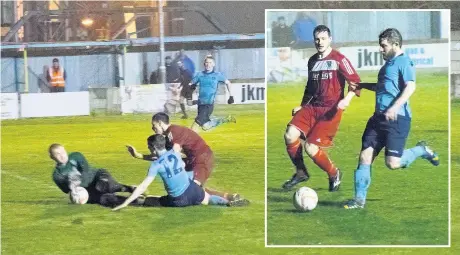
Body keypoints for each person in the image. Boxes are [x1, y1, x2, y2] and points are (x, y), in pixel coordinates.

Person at [344, 28, 439, 209]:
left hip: (397, 118)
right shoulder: (388, 65)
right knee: (365, 156)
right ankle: (358, 201)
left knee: (393, 163)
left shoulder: (404, 62)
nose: (380, 49)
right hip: (378, 118)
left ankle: (421, 150)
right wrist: (362, 85)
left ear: (395, 44)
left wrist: (394, 108)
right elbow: (383, 87)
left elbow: (410, 87)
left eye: (383, 46)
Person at [282, 25, 361, 192]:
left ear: (330, 39)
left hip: (331, 110)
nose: (320, 42)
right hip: (312, 107)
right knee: (290, 135)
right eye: (317, 39)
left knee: (310, 147)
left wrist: (347, 99)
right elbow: (310, 87)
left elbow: (355, 81)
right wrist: (302, 106)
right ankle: (301, 172)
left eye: (323, 39)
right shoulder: (312, 61)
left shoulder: (339, 59)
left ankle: (334, 173)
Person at [126, 112, 244, 203]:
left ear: (160, 123)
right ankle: (229, 197)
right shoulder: (168, 136)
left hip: (201, 159)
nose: (153, 129)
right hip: (193, 160)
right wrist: (138, 156)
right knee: (193, 190)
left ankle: (227, 199)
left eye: (154, 126)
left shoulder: (174, 132)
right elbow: (164, 158)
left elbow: (172, 154)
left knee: (192, 190)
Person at [113, 134, 248, 211]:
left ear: (153, 147)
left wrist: (125, 203)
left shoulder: (155, 165)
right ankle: (226, 203)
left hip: (179, 200)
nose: (149, 150)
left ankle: (128, 201)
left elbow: (143, 187)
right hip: (193, 190)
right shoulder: (175, 153)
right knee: (207, 199)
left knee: (150, 200)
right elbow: (182, 163)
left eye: (149, 147)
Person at [49, 144, 139, 207]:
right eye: (57, 154)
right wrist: (74, 191)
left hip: (97, 177)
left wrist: (77, 181)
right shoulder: (57, 175)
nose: (62, 155)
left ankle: (129, 189)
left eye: (63, 152)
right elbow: (67, 191)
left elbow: (86, 171)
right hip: (88, 190)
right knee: (105, 200)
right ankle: (136, 201)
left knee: (102, 186)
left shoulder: (76, 156)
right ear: (52, 157)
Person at [189, 55, 236, 132]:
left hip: (208, 104)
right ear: (204, 64)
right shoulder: (200, 74)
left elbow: (228, 83)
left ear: (213, 64)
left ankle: (190, 142)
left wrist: (231, 96)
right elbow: (191, 84)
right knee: (205, 126)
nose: (208, 64)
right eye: (206, 62)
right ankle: (226, 119)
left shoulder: (217, 75)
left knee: (195, 126)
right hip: (200, 104)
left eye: (210, 62)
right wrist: (191, 86)